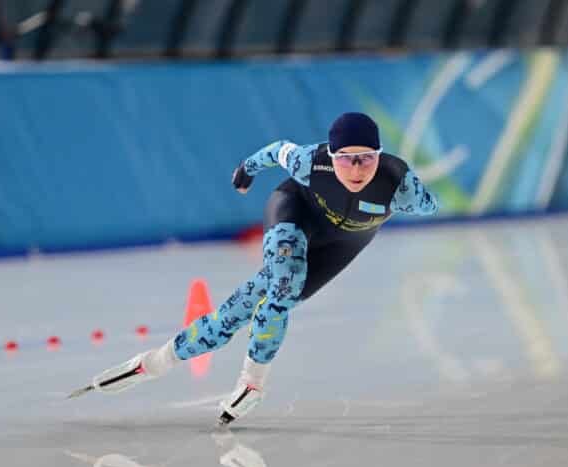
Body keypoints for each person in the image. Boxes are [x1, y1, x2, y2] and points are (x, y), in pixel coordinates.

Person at [83, 112, 438, 425]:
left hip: (344, 244)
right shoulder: (309, 162)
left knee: (251, 309)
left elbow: (430, 205)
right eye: (346, 160)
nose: (357, 169)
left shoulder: (400, 185)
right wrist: (244, 171)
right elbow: (276, 150)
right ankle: (232, 378)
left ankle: (170, 363)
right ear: (332, 157)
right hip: (294, 212)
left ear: (379, 155)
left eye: (366, 159)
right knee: (284, 282)